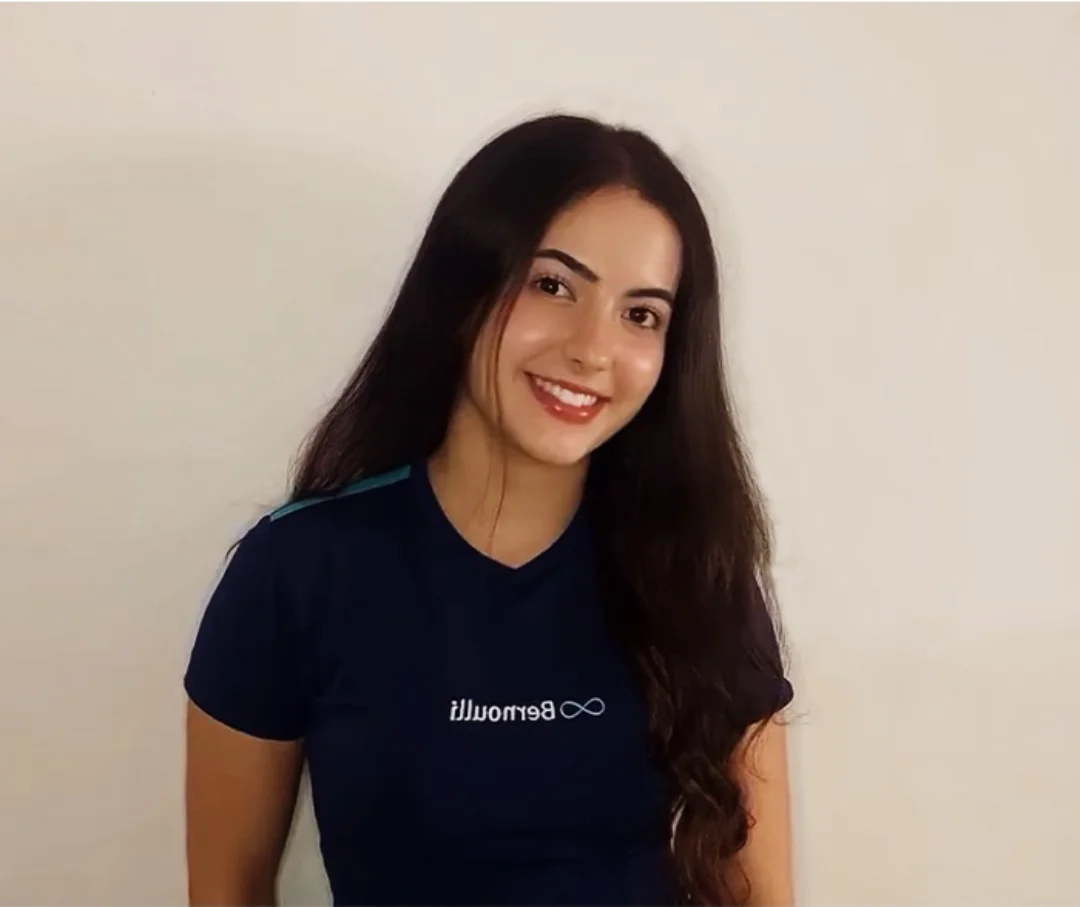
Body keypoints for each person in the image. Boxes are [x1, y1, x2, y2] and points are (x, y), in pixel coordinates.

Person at [183, 113, 795, 907]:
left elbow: (762, 893)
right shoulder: (297, 569)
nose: (592, 349)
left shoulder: (698, 568)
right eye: (554, 285)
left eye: (640, 314)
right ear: (463, 289)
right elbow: (226, 890)